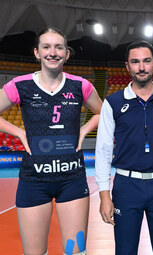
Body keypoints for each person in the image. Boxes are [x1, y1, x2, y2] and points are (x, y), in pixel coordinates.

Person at [0, 27, 102, 255]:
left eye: (59, 47)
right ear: (37, 53)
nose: (52, 52)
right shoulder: (20, 85)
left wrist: (85, 130)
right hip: (34, 180)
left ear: (66, 54)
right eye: (46, 47)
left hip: (72, 178)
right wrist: (19, 132)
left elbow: (101, 112)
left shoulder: (81, 85)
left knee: (76, 252)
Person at [95, 40, 153, 255]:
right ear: (127, 66)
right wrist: (104, 195)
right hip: (126, 186)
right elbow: (103, 151)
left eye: (146, 61)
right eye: (135, 62)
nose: (141, 67)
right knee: (125, 250)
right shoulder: (113, 102)